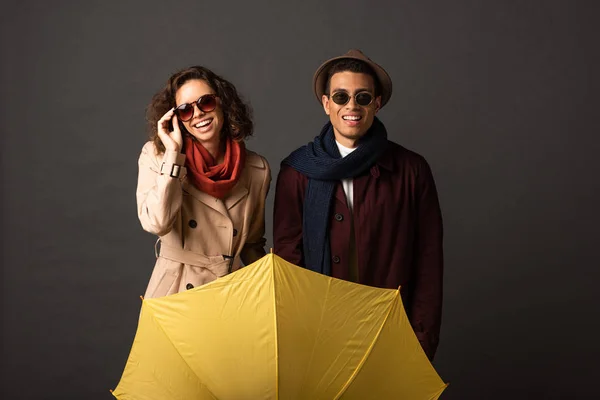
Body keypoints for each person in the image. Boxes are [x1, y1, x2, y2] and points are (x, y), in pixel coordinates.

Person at [273, 50, 443, 360]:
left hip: (389, 330)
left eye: (362, 97)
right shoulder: (297, 171)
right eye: (341, 96)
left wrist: (421, 338)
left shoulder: (410, 169)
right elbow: (288, 265)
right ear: (327, 104)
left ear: (377, 103)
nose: (351, 106)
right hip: (318, 332)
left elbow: (428, 262)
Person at [137, 66, 271, 299]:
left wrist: (264, 293)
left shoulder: (256, 169)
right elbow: (158, 223)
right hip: (176, 291)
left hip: (231, 291)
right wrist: (173, 155)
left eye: (205, 102)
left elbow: (252, 244)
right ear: (176, 118)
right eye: (185, 110)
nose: (197, 114)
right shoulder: (157, 156)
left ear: (222, 104)